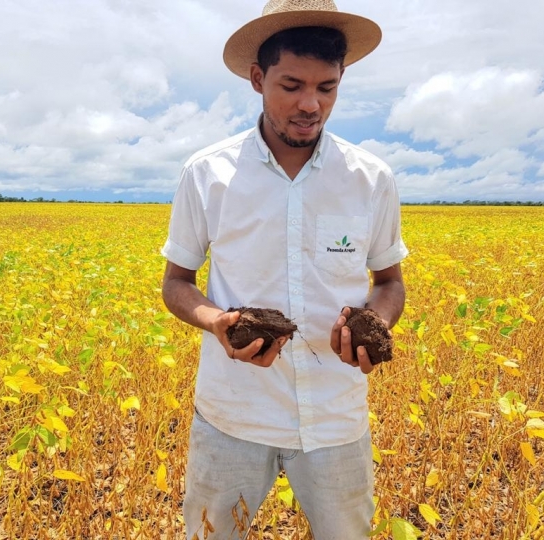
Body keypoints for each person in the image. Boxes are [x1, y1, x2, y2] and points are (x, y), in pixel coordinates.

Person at [161, 1, 408, 538]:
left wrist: (379, 324)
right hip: (231, 416)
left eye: (327, 87)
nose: (310, 104)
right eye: (292, 85)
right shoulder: (208, 175)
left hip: (336, 418)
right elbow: (176, 284)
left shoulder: (371, 179)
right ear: (257, 78)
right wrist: (216, 322)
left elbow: (388, 283)